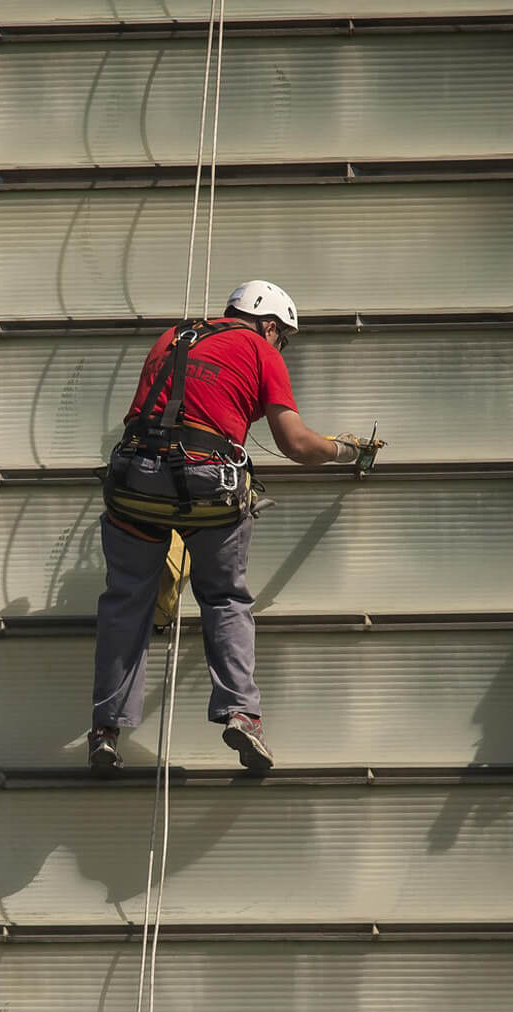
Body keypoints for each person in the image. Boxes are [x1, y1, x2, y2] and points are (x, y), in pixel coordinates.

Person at [88, 280, 381, 775]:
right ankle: (242, 715)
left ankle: (105, 730)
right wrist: (347, 450)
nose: (279, 345)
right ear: (268, 324)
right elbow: (297, 445)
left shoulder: (171, 338)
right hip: (206, 486)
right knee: (224, 597)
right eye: (281, 337)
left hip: (134, 481)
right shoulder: (260, 350)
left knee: (125, 602)